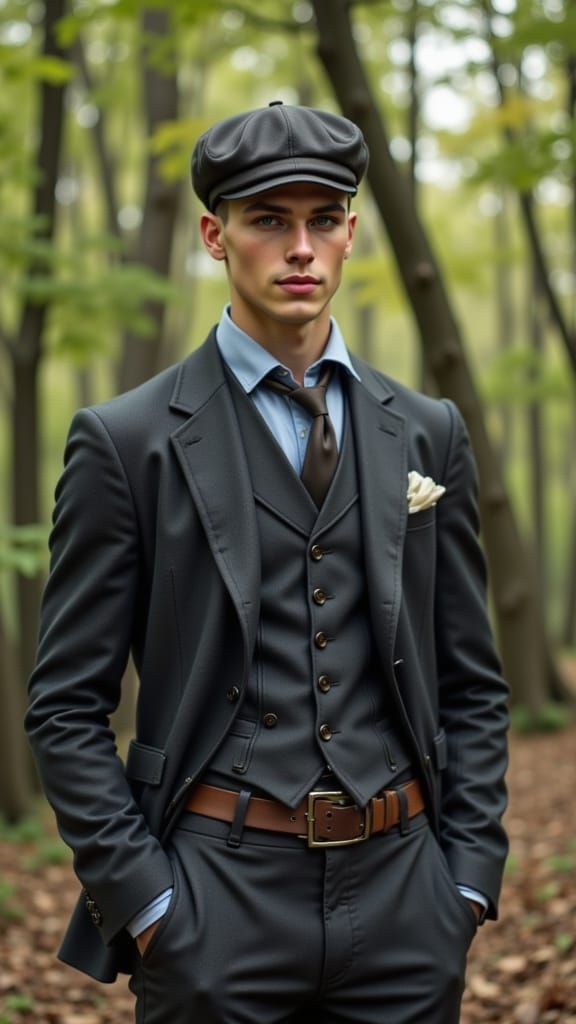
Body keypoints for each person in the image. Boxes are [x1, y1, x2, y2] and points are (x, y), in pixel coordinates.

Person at [26, 101, 509, 1024]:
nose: (301, 248)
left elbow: (473, 684)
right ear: (215, 234)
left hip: (407, 899)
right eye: (268, 220)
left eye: (323, 219)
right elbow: (65, 707)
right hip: (214, 901)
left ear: (352, 232)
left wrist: (467, 882)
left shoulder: (428, 433)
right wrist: (151, 903)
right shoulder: (127, 444)